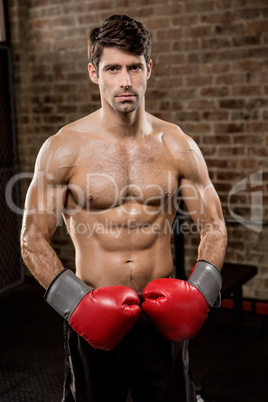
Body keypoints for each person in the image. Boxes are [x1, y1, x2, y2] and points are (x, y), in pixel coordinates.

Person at [20, 14, 227, 402]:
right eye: (113, 68)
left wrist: (199, 292)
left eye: (134, 67)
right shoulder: (64, 148)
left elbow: (214, 226)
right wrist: (76, 305)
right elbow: (32, 239)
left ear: (149, 68)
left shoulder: (177, 144)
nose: (125, 81)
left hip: (163, 319)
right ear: (94, 73)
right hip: (92, 315)